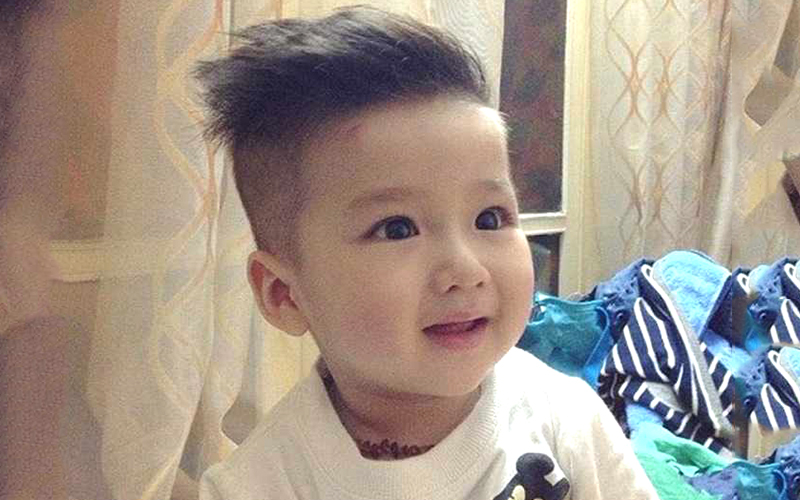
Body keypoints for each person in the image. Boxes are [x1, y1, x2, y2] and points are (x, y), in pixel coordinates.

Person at [194, 7, 658, 500]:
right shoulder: (257, 484)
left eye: (489, 219)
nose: (466, 270)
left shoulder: (565, 418)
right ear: (284, 295)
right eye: (397, 229)